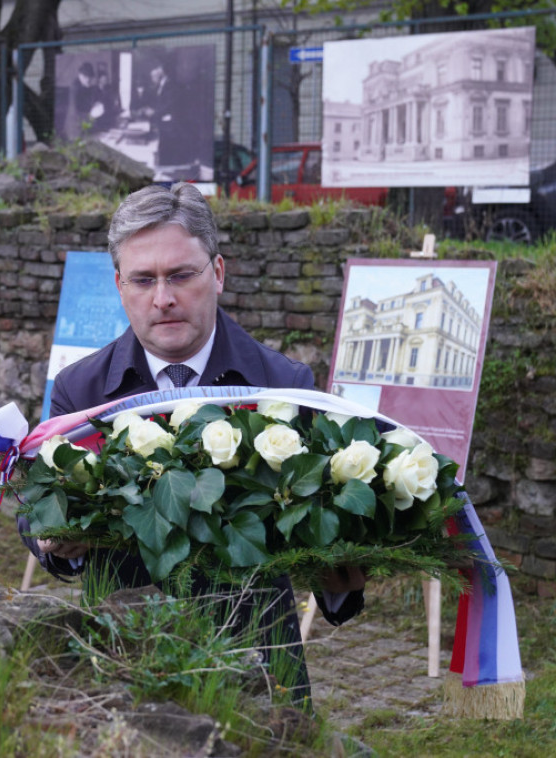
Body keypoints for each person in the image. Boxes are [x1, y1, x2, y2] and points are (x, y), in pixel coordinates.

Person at [19, 183, 366, 701]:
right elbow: (36, 507)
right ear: (119, 286)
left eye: (181, 275)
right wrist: (56, 542)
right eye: (143, 280)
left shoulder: (283, 385)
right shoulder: (82, 390)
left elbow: (324, 531)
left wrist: (340, 579)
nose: (163, 298)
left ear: (218, 273)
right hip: (123, 658)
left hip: (259, 661)